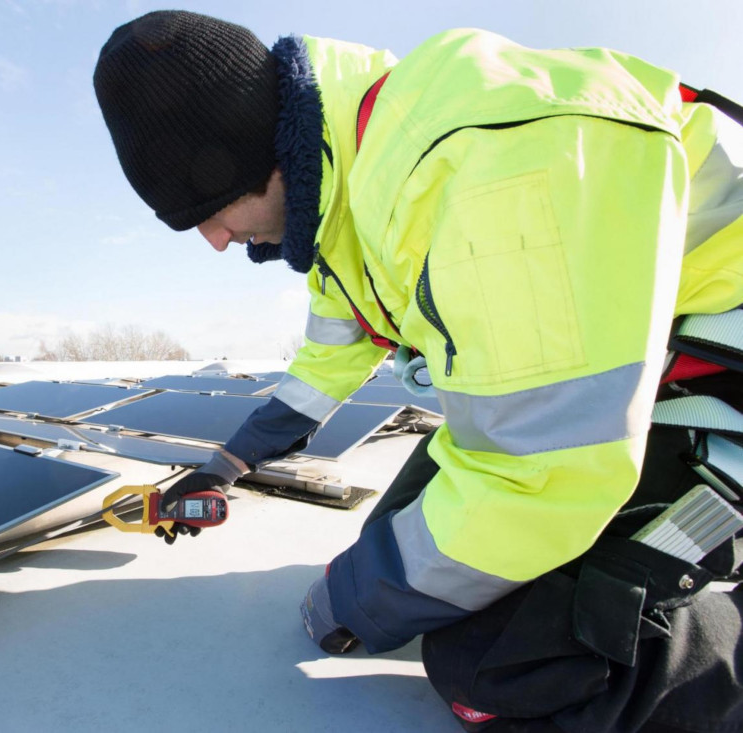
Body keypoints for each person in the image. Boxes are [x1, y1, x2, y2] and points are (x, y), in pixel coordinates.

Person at [93, 10, 743, 731]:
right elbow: (327, 361)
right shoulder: (344, 207)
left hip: (714, 386)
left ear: (262, 152)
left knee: (507, 662)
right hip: (622, 390)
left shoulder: (485, 157)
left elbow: (542, 475)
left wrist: (357, 599)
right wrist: (226, 463)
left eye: (210, 210)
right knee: (412, 544)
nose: (215, 241)